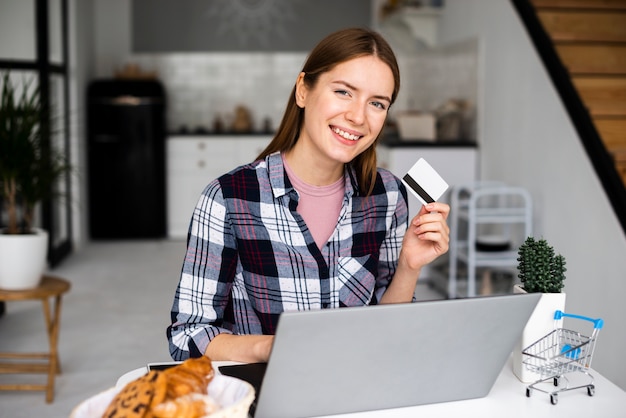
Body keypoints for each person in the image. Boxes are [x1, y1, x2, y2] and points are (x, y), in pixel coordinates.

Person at [167, 27, 450, 363]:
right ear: (303, 90)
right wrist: (270, 347)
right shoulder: (227, 199)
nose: (358, 117)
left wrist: (408, 266)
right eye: (344, 92)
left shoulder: (388, 196)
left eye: (377, 103)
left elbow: (387, 330)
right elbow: (187, 336)